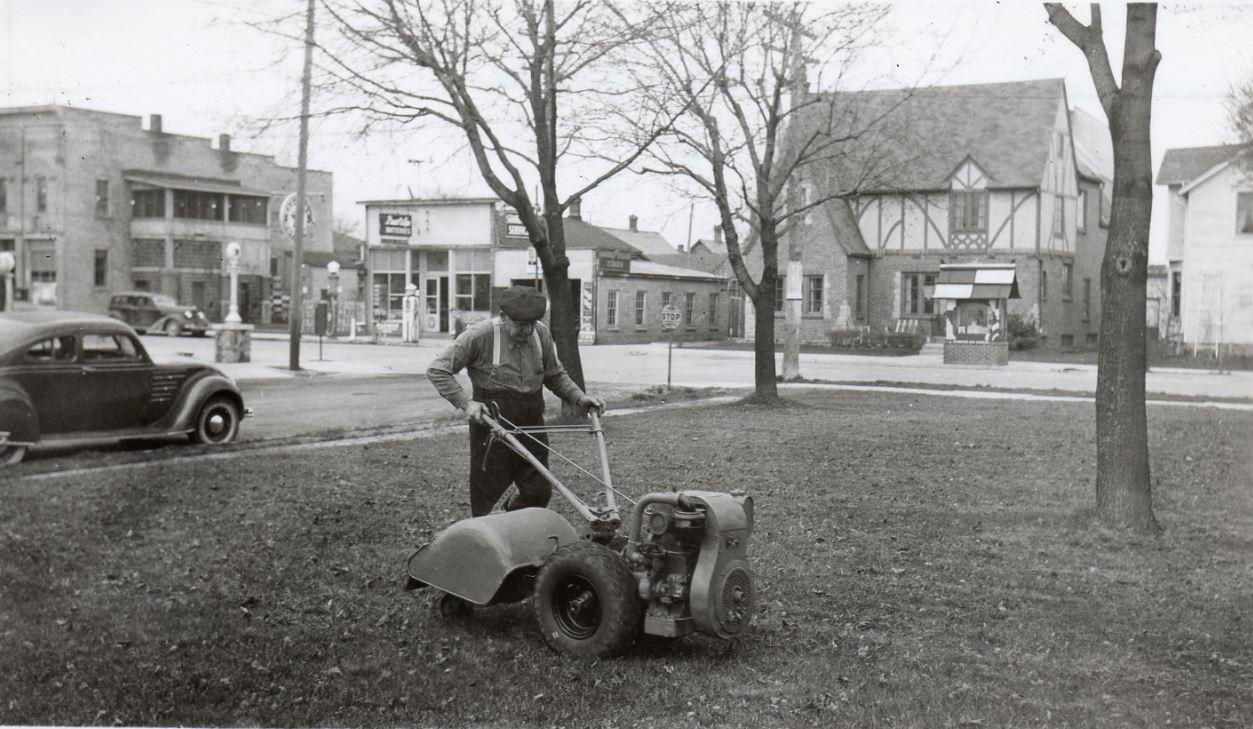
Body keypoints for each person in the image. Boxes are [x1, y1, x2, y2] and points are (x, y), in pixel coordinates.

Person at [427, 286, 605, 517]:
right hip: (491, 427)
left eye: (532, 323)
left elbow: (554, 374)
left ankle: (513, 522)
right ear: (503, 317)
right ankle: (490, 542)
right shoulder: (479, 336)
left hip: (532, 421)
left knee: (539, 491)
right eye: (522, 325)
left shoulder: (540, 334)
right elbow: (437, 369)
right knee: (488, 500)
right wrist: (466, 404)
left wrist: (579, 397)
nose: (528, 330)